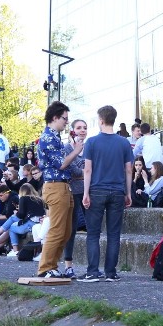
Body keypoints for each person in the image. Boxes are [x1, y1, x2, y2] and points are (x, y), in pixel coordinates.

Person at [79, 105, 133, 282]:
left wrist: (86, 193)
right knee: (114, 234)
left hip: (96, 190)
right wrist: (128, 193)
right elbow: (129, 170)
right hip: (117, 191)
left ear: (101, 120)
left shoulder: (92, 142)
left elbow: (87, 170)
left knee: (93, 233)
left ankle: (93, 272)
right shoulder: (124, 142)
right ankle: (111, 272)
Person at [35, 101, 84, 278]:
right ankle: (45, 268)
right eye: (64, 118)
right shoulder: (48, 138)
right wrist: (77, 151)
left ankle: (52, 266)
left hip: (63, 187)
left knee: (66, 231)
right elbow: (62, 164)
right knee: (57, 229)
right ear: (55, 117)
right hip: (56, 187)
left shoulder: (55, 138)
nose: (66, 122)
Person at [0, 185, 43, 257]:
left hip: (31, 223)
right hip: (38, 222)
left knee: (11, 225)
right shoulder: (39, 199)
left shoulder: (23, 198)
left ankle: (12, 248)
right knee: (12, 222)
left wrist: (17, 213)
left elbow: (21, 214)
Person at [63, 118, 88, 279]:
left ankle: (92, 266)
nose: (82, 130)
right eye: (79, 127)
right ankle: (68, 266)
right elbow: (74, 170)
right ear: (73, 130)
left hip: (88, 191)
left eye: (85, 127)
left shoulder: (90, 147)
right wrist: (85, 169)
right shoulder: (66, 148)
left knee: (92, 228)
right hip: (72, 191)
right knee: (71, 229)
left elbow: (91, 168)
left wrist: (84, 169)